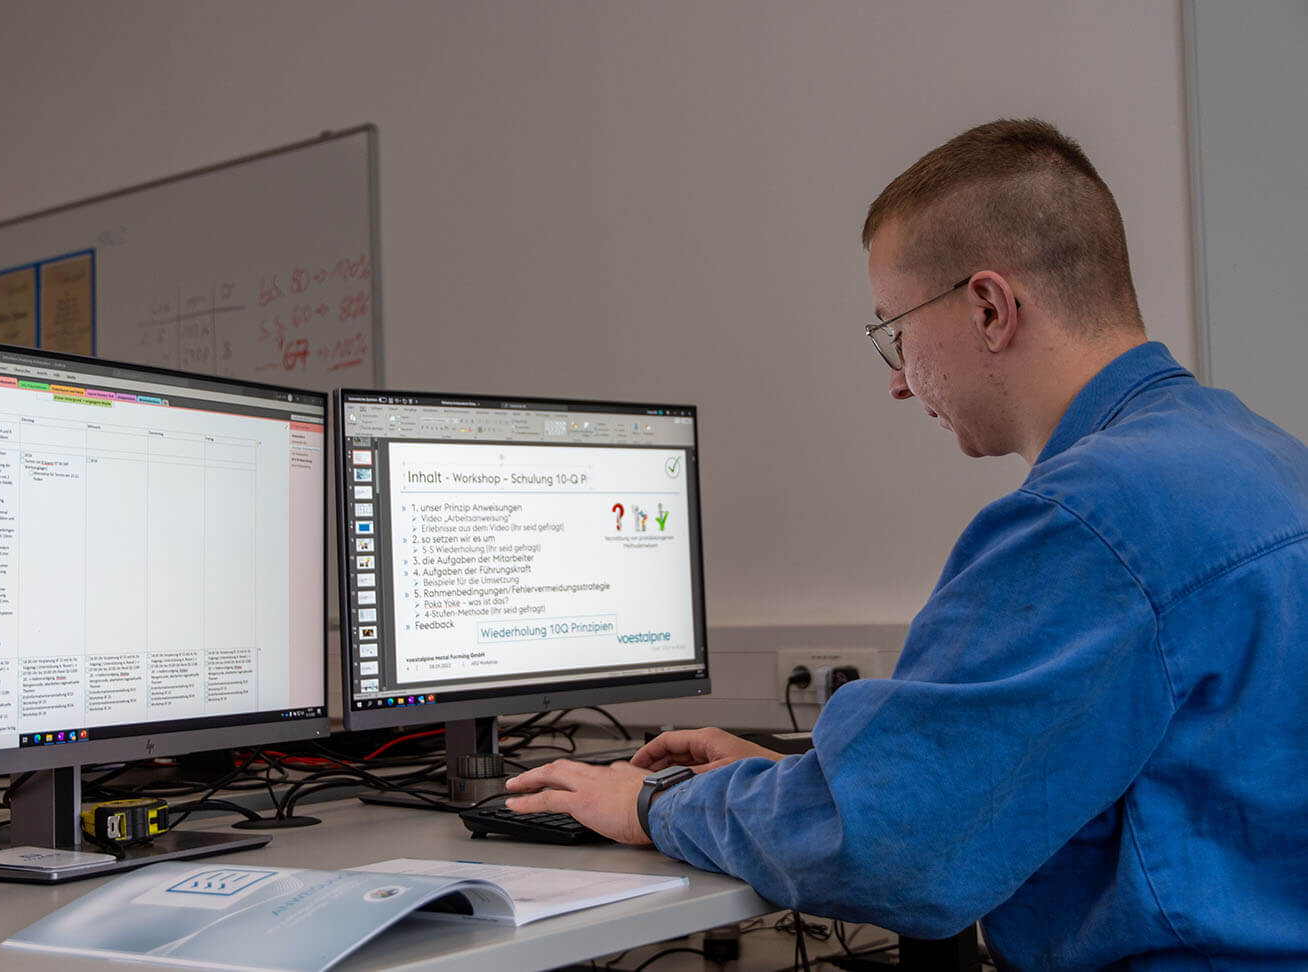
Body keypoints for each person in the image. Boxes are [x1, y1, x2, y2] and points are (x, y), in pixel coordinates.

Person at [506, 118, 1308, 969]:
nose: (896, 377)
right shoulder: (1259, 458)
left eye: (895, 330)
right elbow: (1120, 774)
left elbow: (890, 849)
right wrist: (807, 783)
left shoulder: (1090, 521)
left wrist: (653, 802)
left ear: (990, 308)